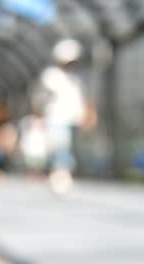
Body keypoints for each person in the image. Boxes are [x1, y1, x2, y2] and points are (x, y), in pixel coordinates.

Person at [38, 39, 97, 194]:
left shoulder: (76, 79)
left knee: (68, 149)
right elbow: (42, 99)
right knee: (61, 148)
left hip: (73, 120)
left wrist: (87, 115)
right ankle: (60, 176)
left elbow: (83, 99)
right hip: (57, 119)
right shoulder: (51, 76)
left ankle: (62, 175)